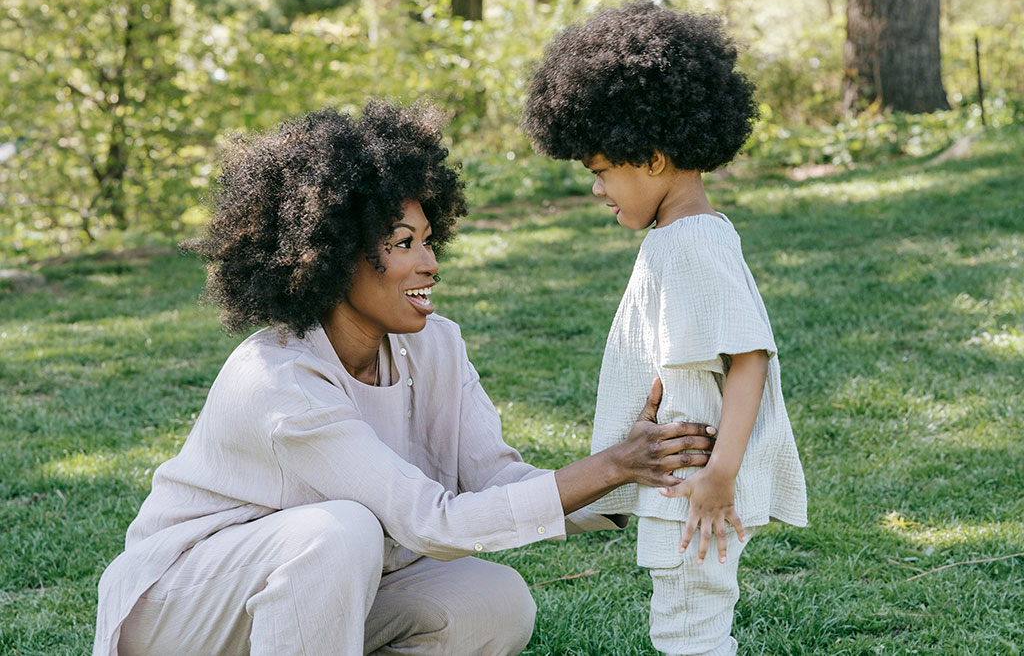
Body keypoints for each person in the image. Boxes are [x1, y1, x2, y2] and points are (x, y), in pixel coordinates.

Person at [92, 102, 718, 656]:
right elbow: (432, 521)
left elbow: (495, 477)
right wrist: (611, 466)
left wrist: (633, 475)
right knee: (340, 532)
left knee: (494, 600)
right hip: (181, 611)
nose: (430, 263)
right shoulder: (278, 379)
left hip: (321, 590)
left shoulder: (437, 345)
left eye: (428, 239)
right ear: (332, 256)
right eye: (403, 243)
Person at [522, 0, 808, 656]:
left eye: (600, 170)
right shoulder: (679, 238)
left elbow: (750, 358)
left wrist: (721, 475)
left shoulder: (694, 242)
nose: (596, 189)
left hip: (697, 483)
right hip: (679, 478)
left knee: (690, 630)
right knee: (684, 624)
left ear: (650, 156)